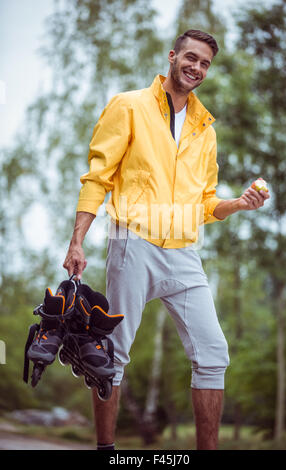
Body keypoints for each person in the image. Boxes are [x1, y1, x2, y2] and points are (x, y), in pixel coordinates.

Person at [63, 29, 270, 450]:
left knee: (213, 353)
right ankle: (107, 450)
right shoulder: (130, 106)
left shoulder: (205, 130)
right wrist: (77, 241)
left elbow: (206, 204)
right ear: (173, 56)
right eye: (190, 58)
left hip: (184, 255)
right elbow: (98, 176)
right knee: (111, 355)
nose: (196, 67)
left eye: (205, 63)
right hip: (132, 243)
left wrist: (239, 204)